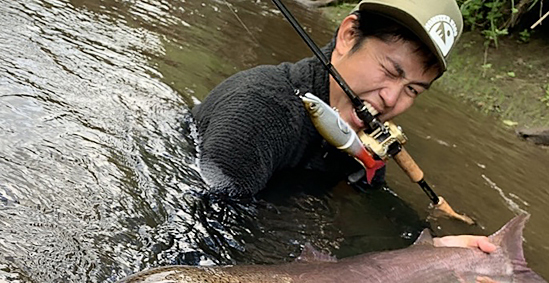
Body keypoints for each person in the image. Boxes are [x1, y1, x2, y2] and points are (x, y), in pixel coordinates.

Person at [191, 0, 495, 252]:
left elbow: (372, 205)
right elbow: (205, 235)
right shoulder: (257, 112)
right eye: (390, 70)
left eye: (412, 90)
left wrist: (435, 251)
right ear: (348, 35)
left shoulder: (364, 136)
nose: (391, 100)